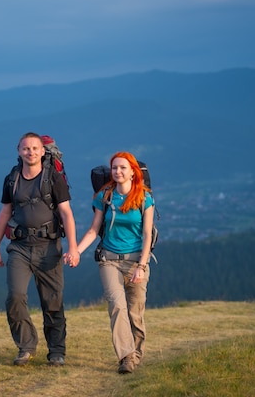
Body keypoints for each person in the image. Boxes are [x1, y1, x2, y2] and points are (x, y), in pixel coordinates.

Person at [0, 132, 80, 367]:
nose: (30, 152)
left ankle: (57, 352)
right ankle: (26, 346)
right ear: (19, 151)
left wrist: (73, 247)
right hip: (19, 247)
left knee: (52, 301)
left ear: (43, 151)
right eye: (25, 149)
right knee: (15, 297)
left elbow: (66, 214)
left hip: (49, 247)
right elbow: (5, 212)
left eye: (34, 148)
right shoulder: (12, 179)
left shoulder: (54, 179)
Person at [72, 151, 154, 374]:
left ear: (133, 172)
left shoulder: (145, 198)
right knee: (117, 306)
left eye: (123, 168)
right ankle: (126, 357)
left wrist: (142, 266)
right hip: (109, 260)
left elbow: (147, 235)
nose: (118, 171)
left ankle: (136, 353)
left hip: (137, 260)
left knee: (135, 312)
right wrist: (76, 251)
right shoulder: (105, 196)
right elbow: (93, 229)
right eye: (115, 168)